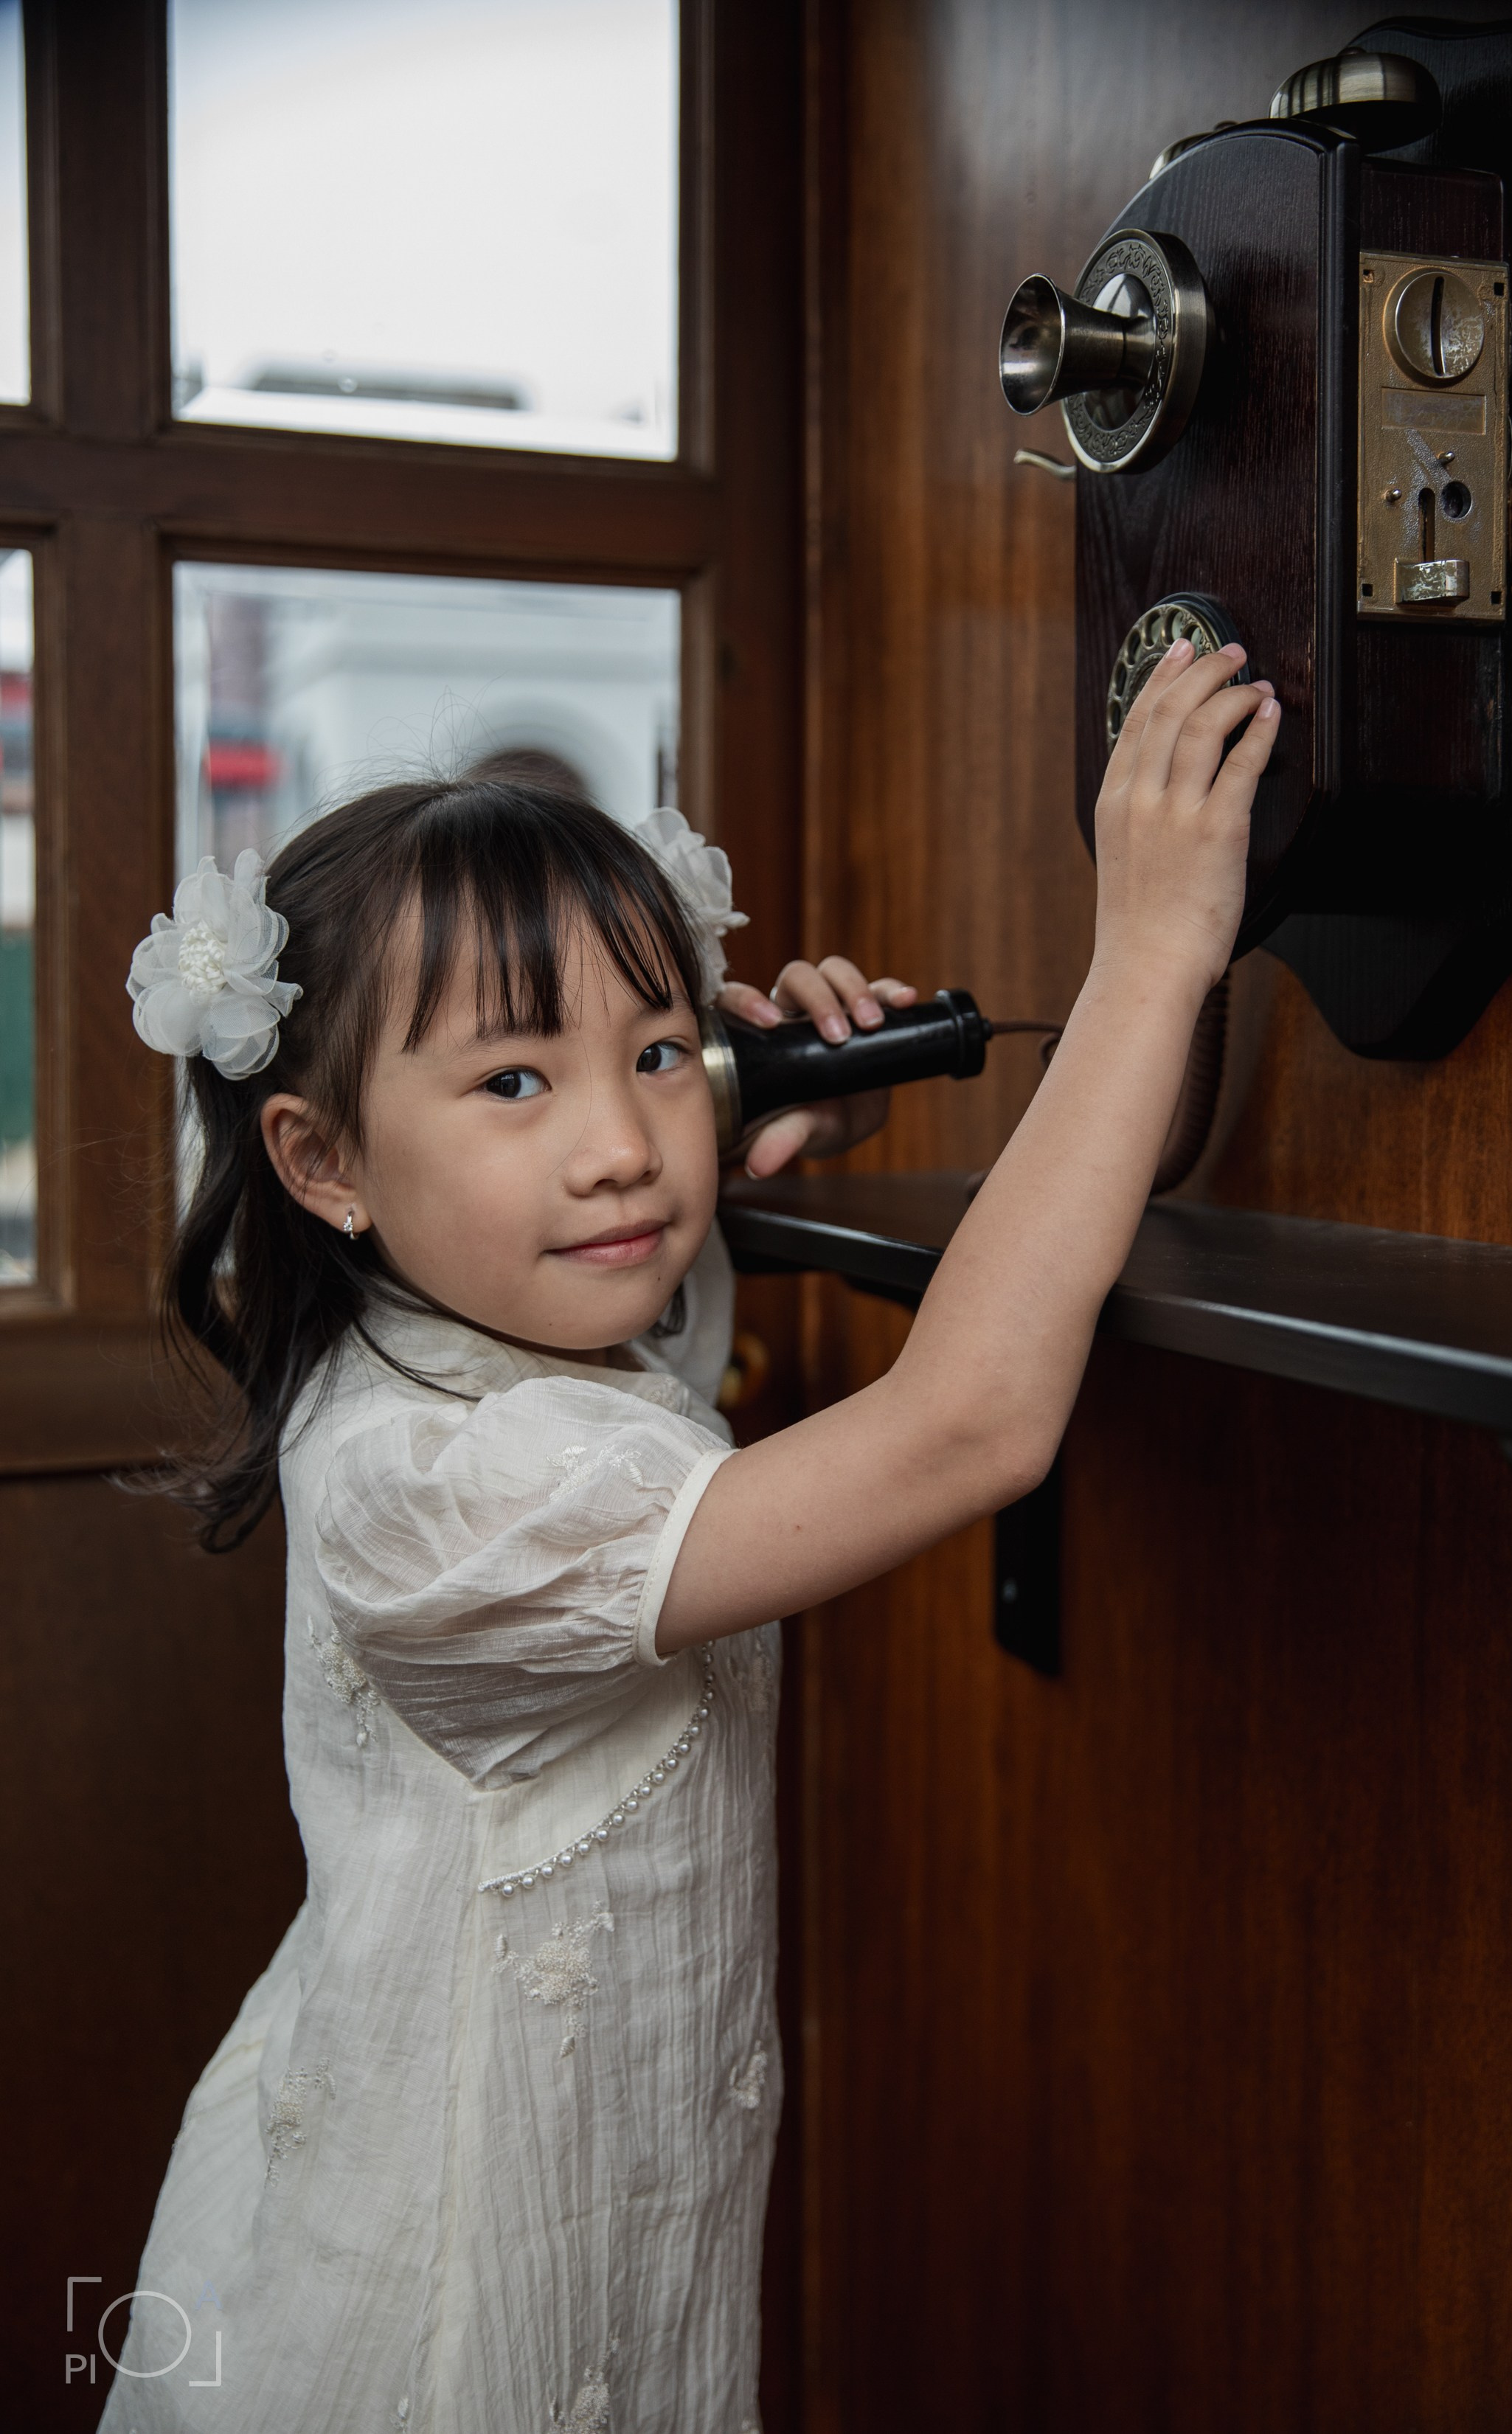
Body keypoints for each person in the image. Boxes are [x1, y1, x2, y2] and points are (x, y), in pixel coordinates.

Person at [109, 638, 1276, 2430]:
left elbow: (626, 1217)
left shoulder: (488, 1309)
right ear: (321, 1158)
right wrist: (1151, 953)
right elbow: (967, 1419)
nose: (616, 1153)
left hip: (601, 2226)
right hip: (439, 2319)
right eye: (513, 1082)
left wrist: (781, 1096)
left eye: (658, 1053)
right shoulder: (436, 1490)